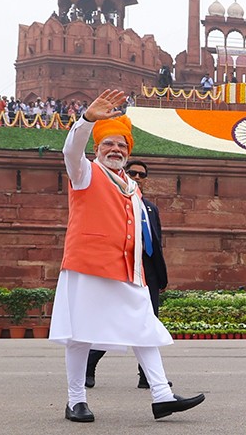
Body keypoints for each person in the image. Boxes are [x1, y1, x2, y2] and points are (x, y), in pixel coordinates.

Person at [49, 89, 204, 423]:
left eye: (121, 145)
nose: (115, 150)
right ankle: (76, 400)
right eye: (108, 144)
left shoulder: (132, 189)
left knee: (145, 327)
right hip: (87, 265)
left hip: (126, 271)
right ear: (97, 149)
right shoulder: (85, 173)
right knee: (80, 335)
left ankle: (161, 395)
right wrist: (88, 120)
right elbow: (71, 150)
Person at [85, 158, 169, 390]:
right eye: (133, 172)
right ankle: (88, 366)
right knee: (113, 321)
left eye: (142, 174)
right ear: (124, 173)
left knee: (149, 324)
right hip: (122, 268)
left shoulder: (150, 208)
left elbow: (156, 243)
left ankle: (147, 377)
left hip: (147, 272)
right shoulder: (115, 203)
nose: (138, 177)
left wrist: (160, 278)